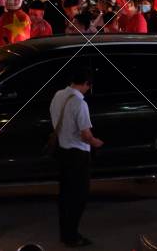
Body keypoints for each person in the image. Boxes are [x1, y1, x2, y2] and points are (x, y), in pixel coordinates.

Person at [49, 65, 104, 248]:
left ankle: (64, 233)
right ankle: (72, 237)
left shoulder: (58, 96)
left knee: (65, 196)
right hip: (77, 155)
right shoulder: (79, 103)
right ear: (87, 83)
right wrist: (97, 143)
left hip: (62, 152)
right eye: (89, 86)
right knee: (78, 198)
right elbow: (85, 135)